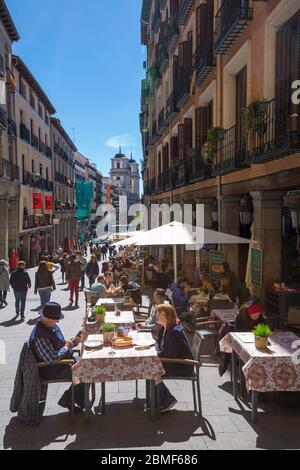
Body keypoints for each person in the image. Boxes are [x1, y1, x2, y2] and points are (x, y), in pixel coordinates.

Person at [29, 302, 85, 412]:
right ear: (46, 317)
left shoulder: (50, 326)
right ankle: (69, 399)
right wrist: (66, 347)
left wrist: (74, 341)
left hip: (63, 362)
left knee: (88, 365)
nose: (58, 321)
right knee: (87, 372)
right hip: (52, 369)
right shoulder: (40, 335)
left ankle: (74, 398)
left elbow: (61, 345)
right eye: (55, 319)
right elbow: (52, 358)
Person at [155, 304, 194, 413]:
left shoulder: (175, 332)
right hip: (171, 361)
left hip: (182, 365)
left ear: (165, 315)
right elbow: (162, 348)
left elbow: (169, 354)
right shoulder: (164, 328)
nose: (156, 315)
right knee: (150, 368)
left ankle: (166, 400)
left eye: (158, 313)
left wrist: (154, 353)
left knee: (151, 370)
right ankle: (156, 399)